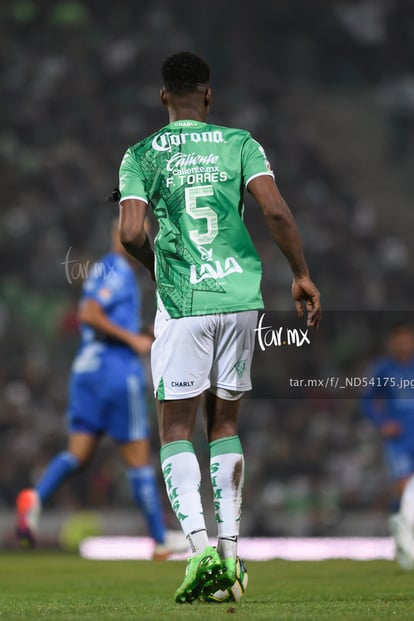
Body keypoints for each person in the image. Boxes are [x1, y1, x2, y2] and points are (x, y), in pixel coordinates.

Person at [117, 51, 322, 603]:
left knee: (175, 429)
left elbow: (131, 232)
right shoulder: (240, 143)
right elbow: (275, 211)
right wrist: (300, 275)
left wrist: (163, 269)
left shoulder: (139, 156)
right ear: (209, 96)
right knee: (225, 422)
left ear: (164, 96)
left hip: (186, 302)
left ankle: (201, 551)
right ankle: (231, 558)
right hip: (240, 298)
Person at [16, 220, 186, 560]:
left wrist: (141, 331)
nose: (143, 238)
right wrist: (133, 340)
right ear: (121, 235)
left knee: (78, 454)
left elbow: (101, 315)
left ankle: (34, 499)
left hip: (86, 371)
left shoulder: (102, 270)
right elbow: (89, 314)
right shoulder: (117, 270)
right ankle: (160, 540)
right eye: (139, 232)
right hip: (116, 372)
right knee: (138, 458)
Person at [361, 321, 414, 570]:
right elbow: (368, 401)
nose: (403, 344)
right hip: (399, 440)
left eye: (407, 339)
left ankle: (399, 528)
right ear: (392, 343)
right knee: (404, 488)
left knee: (406, 497)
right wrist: (382, 423)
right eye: (399, 340)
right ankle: (403, 538)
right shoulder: (384, 369)